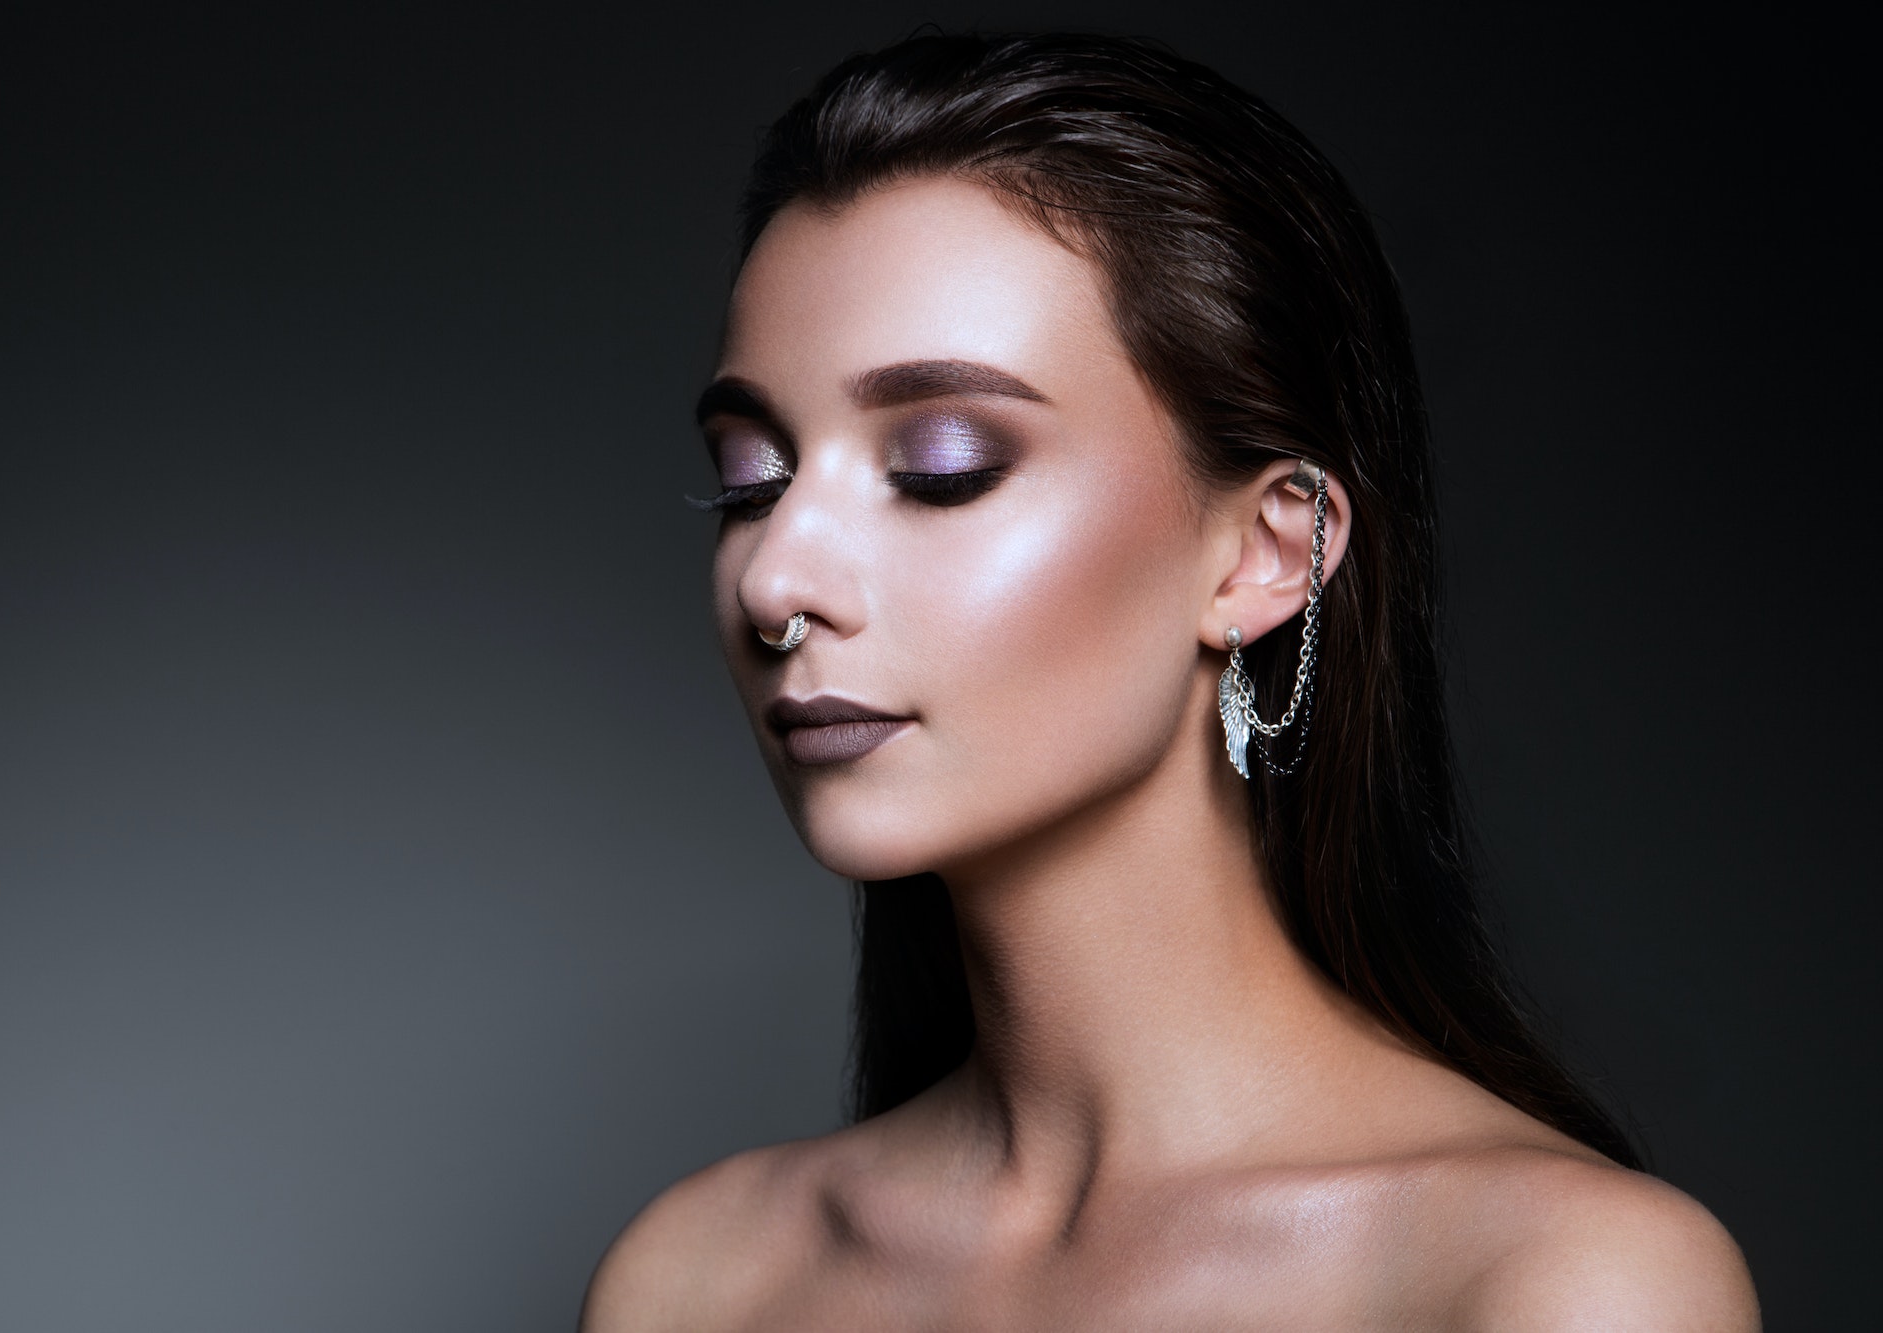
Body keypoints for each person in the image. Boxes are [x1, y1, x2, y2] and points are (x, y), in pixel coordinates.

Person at [583, 31, 1757, 1329]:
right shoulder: (699, 1280)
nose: (773, 579)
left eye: (942, 466)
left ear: (1267, 552)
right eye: (750, 481)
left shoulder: (1555, 1280)